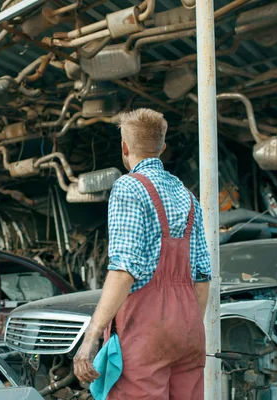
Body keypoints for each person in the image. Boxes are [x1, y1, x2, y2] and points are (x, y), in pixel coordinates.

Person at [73, 109, 212, 399]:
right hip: (189, 330)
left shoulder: (129, 187)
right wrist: (187, 327)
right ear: (162, 148)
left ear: (124, 147)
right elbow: (202, 276)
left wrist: (92, 336)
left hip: (146, 332)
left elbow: (124, 270)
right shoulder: (188, 197)